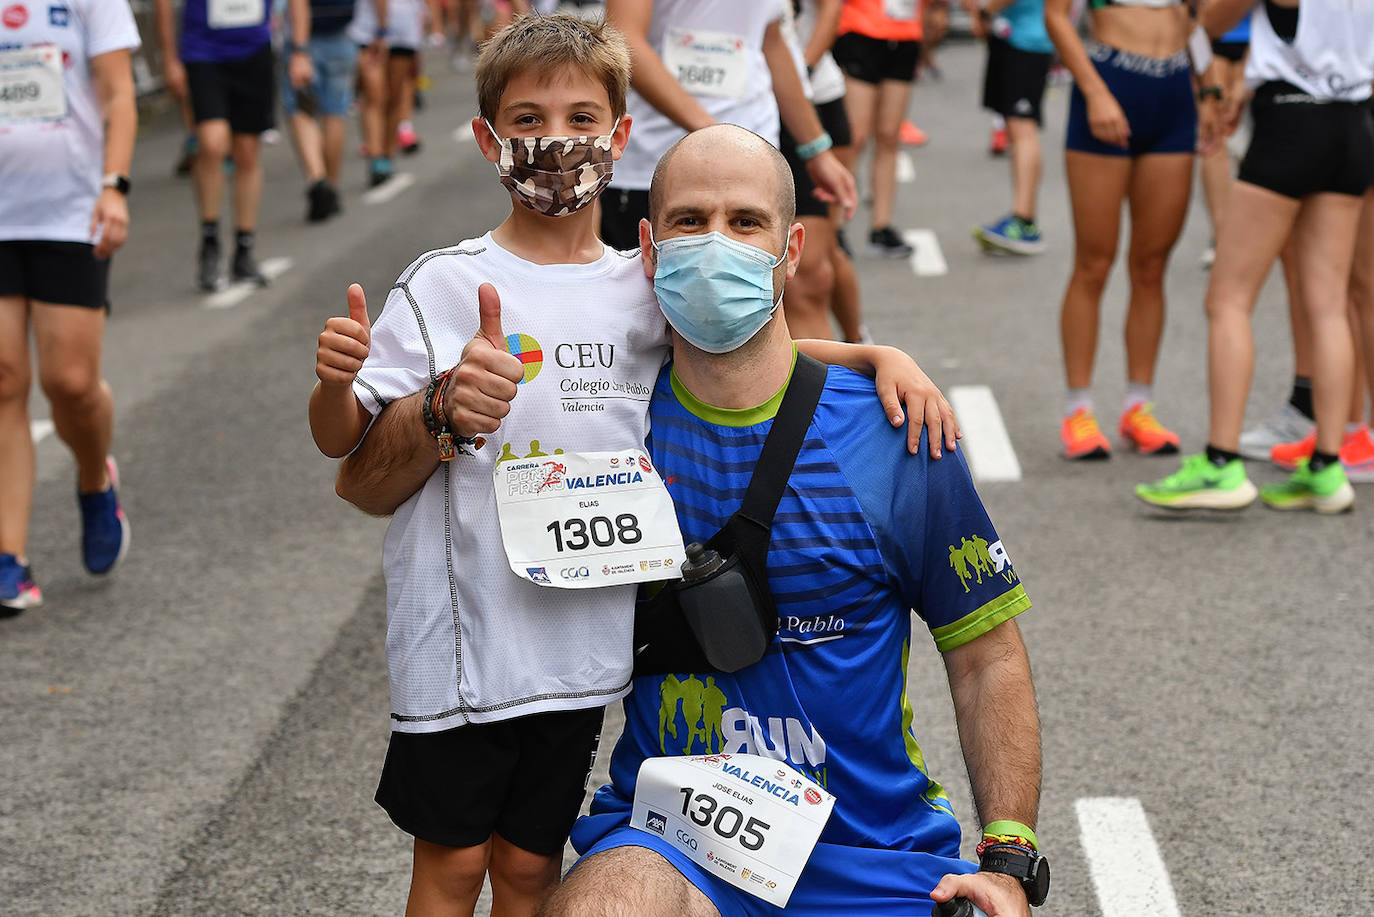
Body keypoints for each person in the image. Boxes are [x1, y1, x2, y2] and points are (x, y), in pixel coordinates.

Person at [307, 16, 957, 915]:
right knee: (453, 867)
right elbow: (348, 454)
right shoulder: (445, 283)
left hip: (577, 652)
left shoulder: (637, 289)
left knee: (531, 871)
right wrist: (401, 400)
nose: (555, 141)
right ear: (489, 139)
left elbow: (738, 342)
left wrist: (872, 356)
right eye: (529, 119)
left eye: (581, 117)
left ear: (620, 138)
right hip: (463, 648)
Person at [540, 124, 1042, 917]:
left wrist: (1008, 857)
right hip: (675, 846)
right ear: (647, 245)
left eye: (745, 223)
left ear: (791, 248)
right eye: (688, 221)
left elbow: (985, 655)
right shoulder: (609, 422)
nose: (716, 246)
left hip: (877, 858)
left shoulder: (896, 433)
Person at [1136, 0, 1374, 513]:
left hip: (1291, 120)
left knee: (1228, 298)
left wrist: (1215, 87)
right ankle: (1327, 468)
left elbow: (1202, 24)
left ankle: (1221, 463)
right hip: (1353, 123)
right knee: (1330, 304)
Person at [0, 0, 139, 612]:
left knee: (71, 384)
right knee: (4, 381)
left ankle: (93, 479)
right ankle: (10, 557)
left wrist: (114, 186)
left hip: (70, 213)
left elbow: (117, 92)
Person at [1045, 0, 1219, 459]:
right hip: (1109, 83)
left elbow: (1196, 20)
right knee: (1094, 264)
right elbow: (1056, 16)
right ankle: (1078, 409)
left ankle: (1138, 405)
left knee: (1152, 265)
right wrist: (1094, 91)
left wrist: (1209, 90)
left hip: (1174, 95)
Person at [598, 0, 857, 253]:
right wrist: (717, 134)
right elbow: (625, 39)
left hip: (755, 155)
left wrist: (816, 148)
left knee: (761, 288)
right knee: (657, 291)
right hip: (657, 161)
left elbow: (770, 41)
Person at [155, 0, 278, 291]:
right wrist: (170, 59)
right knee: (211, 144)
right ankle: (210, 241)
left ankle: (244, 248)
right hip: (204, 53)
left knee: (247, 153)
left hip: (254, 50)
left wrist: (299, 48)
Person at [831, 0, 925, 259]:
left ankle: (881, 227)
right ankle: (835, 227)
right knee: (854, 138)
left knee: (888, 137)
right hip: (862, 33)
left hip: (906, 34)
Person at [967, 0, 1054, 256]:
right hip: (1012, 38)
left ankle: (1024, 221)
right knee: (1017, 133)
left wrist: (985, 10)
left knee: (1023, 131)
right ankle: (1023, 218)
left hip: (1028, 41)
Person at [284, 0, 379, 221]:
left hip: (304, 38)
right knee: (335, 112)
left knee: (301, 110)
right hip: (341, 34)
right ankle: (332, 186)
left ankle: (317, 177)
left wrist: (299, 48)